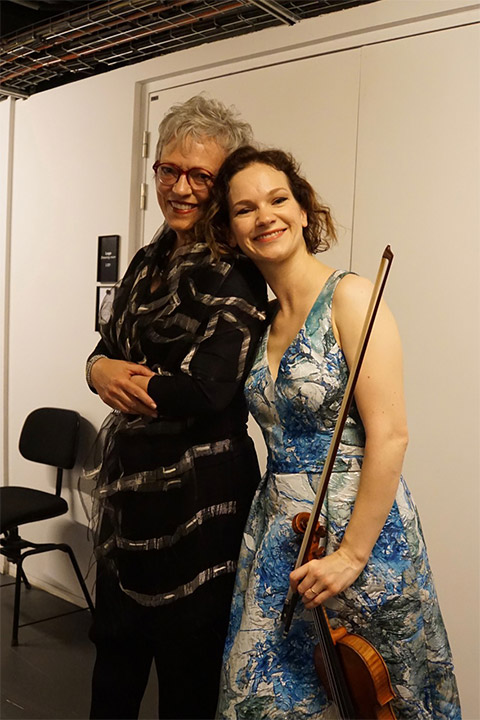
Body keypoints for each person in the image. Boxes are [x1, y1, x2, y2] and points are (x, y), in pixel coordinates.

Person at [199, 145, 461, 719]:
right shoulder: (258, 321)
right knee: (269, 700)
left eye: (277, 199)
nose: (264, 215)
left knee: (370, 696)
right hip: (280, 532)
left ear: (301, 209)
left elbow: (391, 434)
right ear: (229, 228)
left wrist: (351, 555)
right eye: (244, 209)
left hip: (358, 535)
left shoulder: (351, 296)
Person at [84, 98, 268, 720]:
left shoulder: (237, 274)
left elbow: (208, 392)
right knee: (114, 664)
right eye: (169, 170)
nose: (180, 188)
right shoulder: (146, 261)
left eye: (201, 176)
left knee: (187, 682)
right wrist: (96, 368)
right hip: (128, 510)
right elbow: (106, 346)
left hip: (201, 512)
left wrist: (121, 376)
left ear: (222, 185)